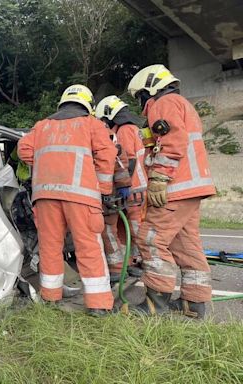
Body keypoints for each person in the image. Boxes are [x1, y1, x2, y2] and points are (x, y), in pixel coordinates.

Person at [18, 84, 118, 316]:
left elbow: (24, 150)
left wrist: (47, 163)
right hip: (81, 197)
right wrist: (103, 189)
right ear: (88, 105)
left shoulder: (42, 126)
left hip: (45, 197)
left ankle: (50, 297)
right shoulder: (92, 124)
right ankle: (99, 304)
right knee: (88, 246)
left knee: (50, 247)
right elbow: (107, 154)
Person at [127, 65, 216, 318]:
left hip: (175, 188)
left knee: (150, 239)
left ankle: (156, 303)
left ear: (150, 89)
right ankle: (193, 304)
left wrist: (158, 178)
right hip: (192, 188)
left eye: (140, 97)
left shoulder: (164, 104)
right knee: (186, 245)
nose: (142, 103)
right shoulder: (183, 104)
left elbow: (171, 142)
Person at [95, 95, 147, 281]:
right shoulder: (134, 129)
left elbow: (126, 161)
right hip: (141, 188)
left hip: (132, 190)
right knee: (130, 229)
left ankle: (139, 263)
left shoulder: (123, 131)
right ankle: (133, 261)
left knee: (131, 229)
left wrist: (120, 186)